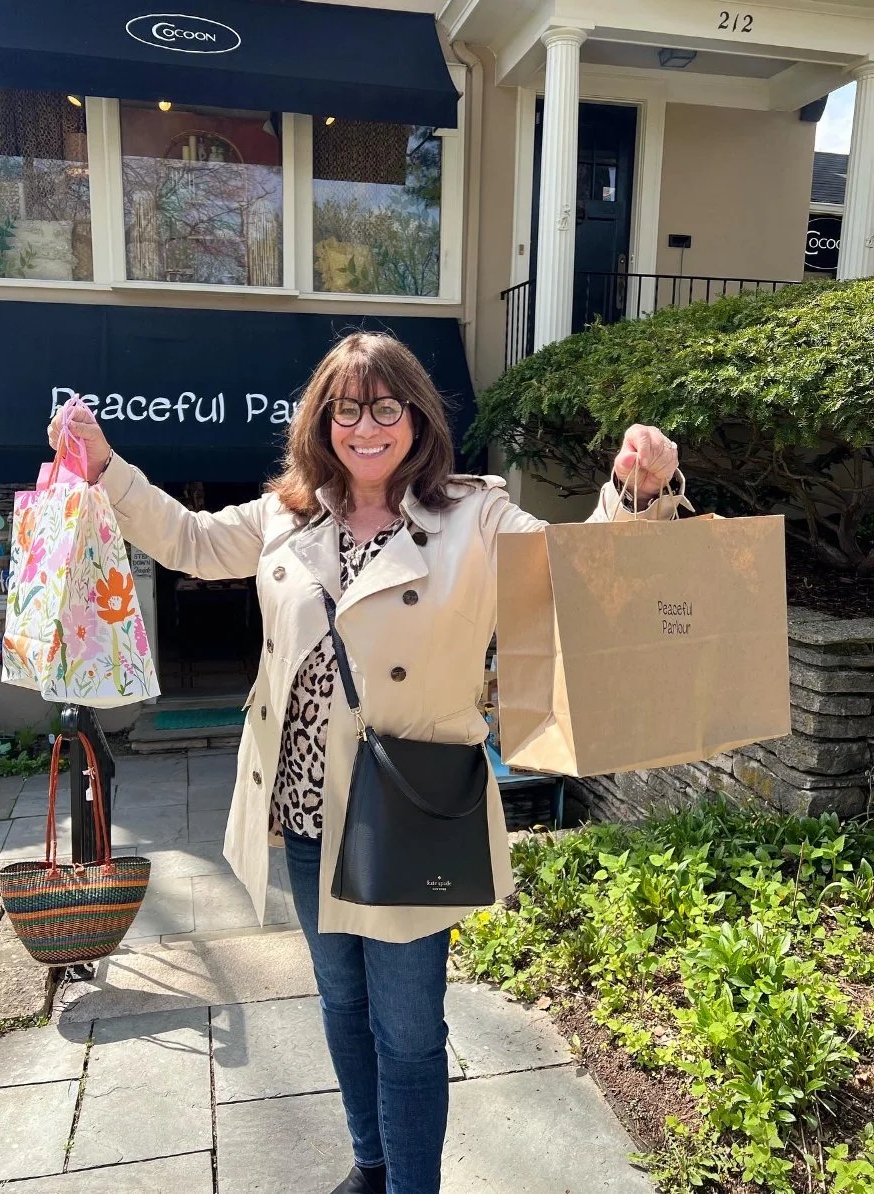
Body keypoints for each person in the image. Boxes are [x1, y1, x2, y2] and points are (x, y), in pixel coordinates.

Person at [48, 332, 685, 1194]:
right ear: (323, 422)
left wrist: (636, 492)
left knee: (411, 1029)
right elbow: (190, 541)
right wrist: (106, 465)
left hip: (406, 809)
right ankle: (371, 1161)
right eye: (347, 408)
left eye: (387, 407)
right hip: (307, 808)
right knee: (341, 1003)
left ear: (418, 418)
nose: (366, 426)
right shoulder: (287, 511)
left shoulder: (476, 514)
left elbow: (575, 570)